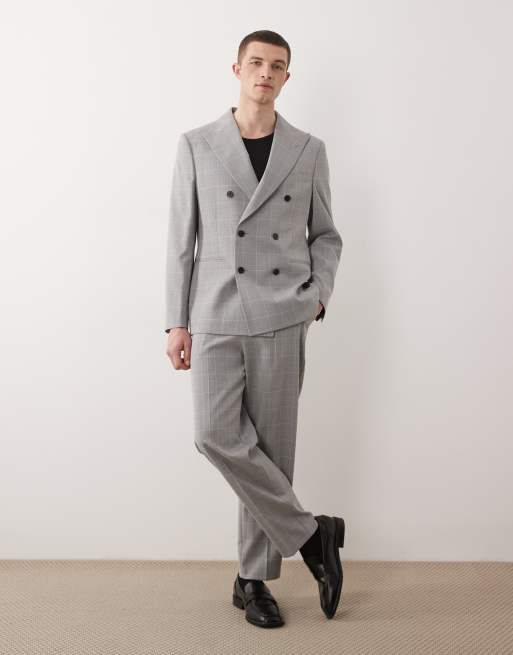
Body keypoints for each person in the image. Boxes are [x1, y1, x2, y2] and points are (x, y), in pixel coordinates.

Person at [165, 29, 345, 627]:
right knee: (214, 435)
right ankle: (313, 536)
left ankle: (254, 581)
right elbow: (181, 242)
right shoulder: (197, 144)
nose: (266, 73)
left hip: (282, 313)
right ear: (237, 69)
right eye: (257, 63)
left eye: (278, 66)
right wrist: (175, 322)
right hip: (215, 312)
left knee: (270, 450)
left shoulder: (308, 149)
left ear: (287, 77)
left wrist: (316, 297)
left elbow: (326, 236)